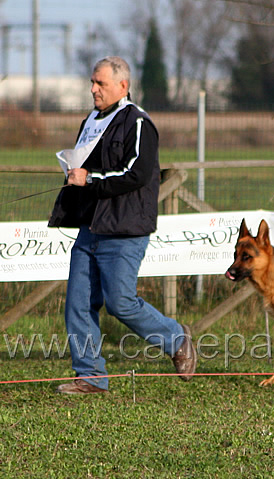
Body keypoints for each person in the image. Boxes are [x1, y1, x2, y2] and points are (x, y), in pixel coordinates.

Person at [48, 56, 196, 394]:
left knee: (120, 303)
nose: (93, 89)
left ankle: (177, 339)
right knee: (78, 303)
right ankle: (90, 376)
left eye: (100, 83)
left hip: (124, 229)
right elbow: (86, 167)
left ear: (122, 86)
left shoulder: (138, 123)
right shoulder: (91, 121)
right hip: (91, 228)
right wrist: (74, 175)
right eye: (92, 82)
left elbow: (137, 174)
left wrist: (90, 179)